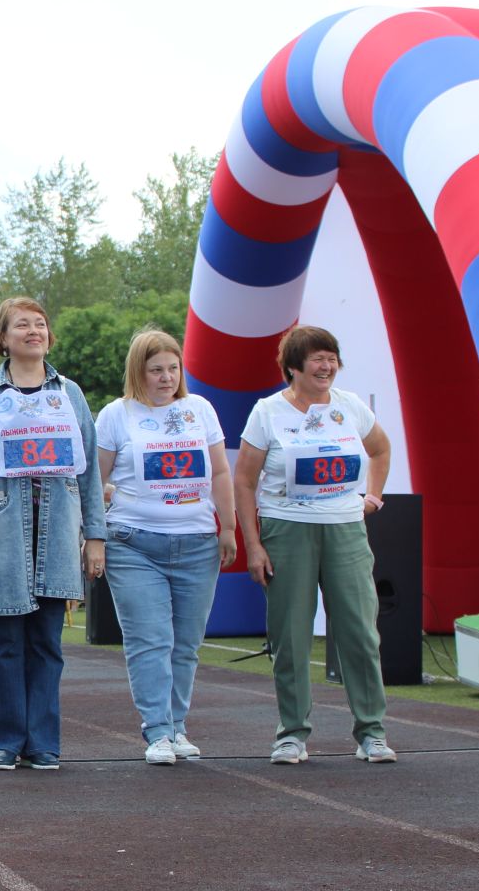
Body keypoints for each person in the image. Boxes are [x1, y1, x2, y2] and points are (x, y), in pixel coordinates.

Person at [0, 297, 105, 770]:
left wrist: (94, 535)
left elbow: (89, 469)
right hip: (1, 533)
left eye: (40, 324)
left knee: (46, 643)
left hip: (56, 531)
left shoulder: (70, 394)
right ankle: (4, 739)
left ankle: (43, 741)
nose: (33, 331)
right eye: (22, 325)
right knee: (4, 643)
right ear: (3, 338)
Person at [234, 325, 396, 764]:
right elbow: (244, 481)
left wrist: (373, 497)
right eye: (317, 359)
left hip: (345, 528)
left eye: (332, 358)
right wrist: (255, 545)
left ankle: (372, 732)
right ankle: (292, 733)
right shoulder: (268, 412)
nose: (326, 366)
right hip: (287, 529)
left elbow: (380, 450)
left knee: (359, 631)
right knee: (291, 635)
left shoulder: (351, 407)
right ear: (293, 367)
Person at [95, 329, 237, 764]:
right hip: (133, 543)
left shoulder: (200, 410)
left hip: (197, 542)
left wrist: (228, 528)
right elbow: (95, 482)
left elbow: (220, 473)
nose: (165, 378)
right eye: (156, 370)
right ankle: (157, 730)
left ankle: (177, 726)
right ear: (138, 371)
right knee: (149, 640)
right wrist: (95, 533)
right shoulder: (116, 415)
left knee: (186, 643)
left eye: (173, 369)